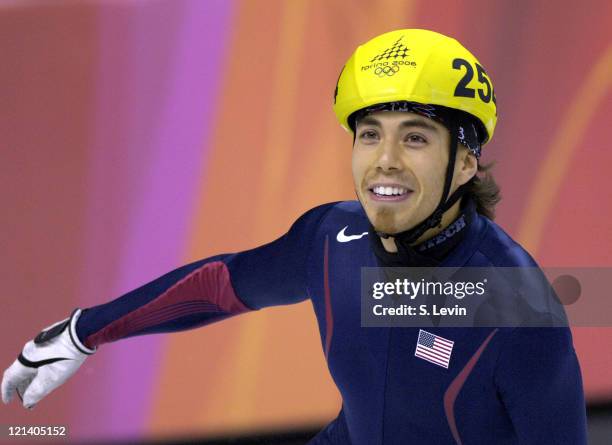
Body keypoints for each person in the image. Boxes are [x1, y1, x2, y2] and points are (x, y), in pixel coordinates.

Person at [2, 29, 587, 444]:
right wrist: (84, 332)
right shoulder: (332, 236)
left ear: (465, 164)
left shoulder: (518, 305)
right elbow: (221, 284)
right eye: (368, 135)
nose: (383, 161)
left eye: (415, 138)